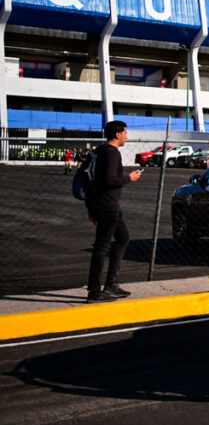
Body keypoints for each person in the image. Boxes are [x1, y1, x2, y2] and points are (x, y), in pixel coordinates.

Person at [85, 121, 142, 302]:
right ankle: (95, 291)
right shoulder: (112, 153)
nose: (126, 136)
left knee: (123, 239)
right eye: (125, 132)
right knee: (101, 246)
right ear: (117, 134)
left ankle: (111, 284)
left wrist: (90, 208)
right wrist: (129, 178)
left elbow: (91, 182)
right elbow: (110, 180)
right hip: (107, 206)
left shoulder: (99, 151)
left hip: (103, 205)